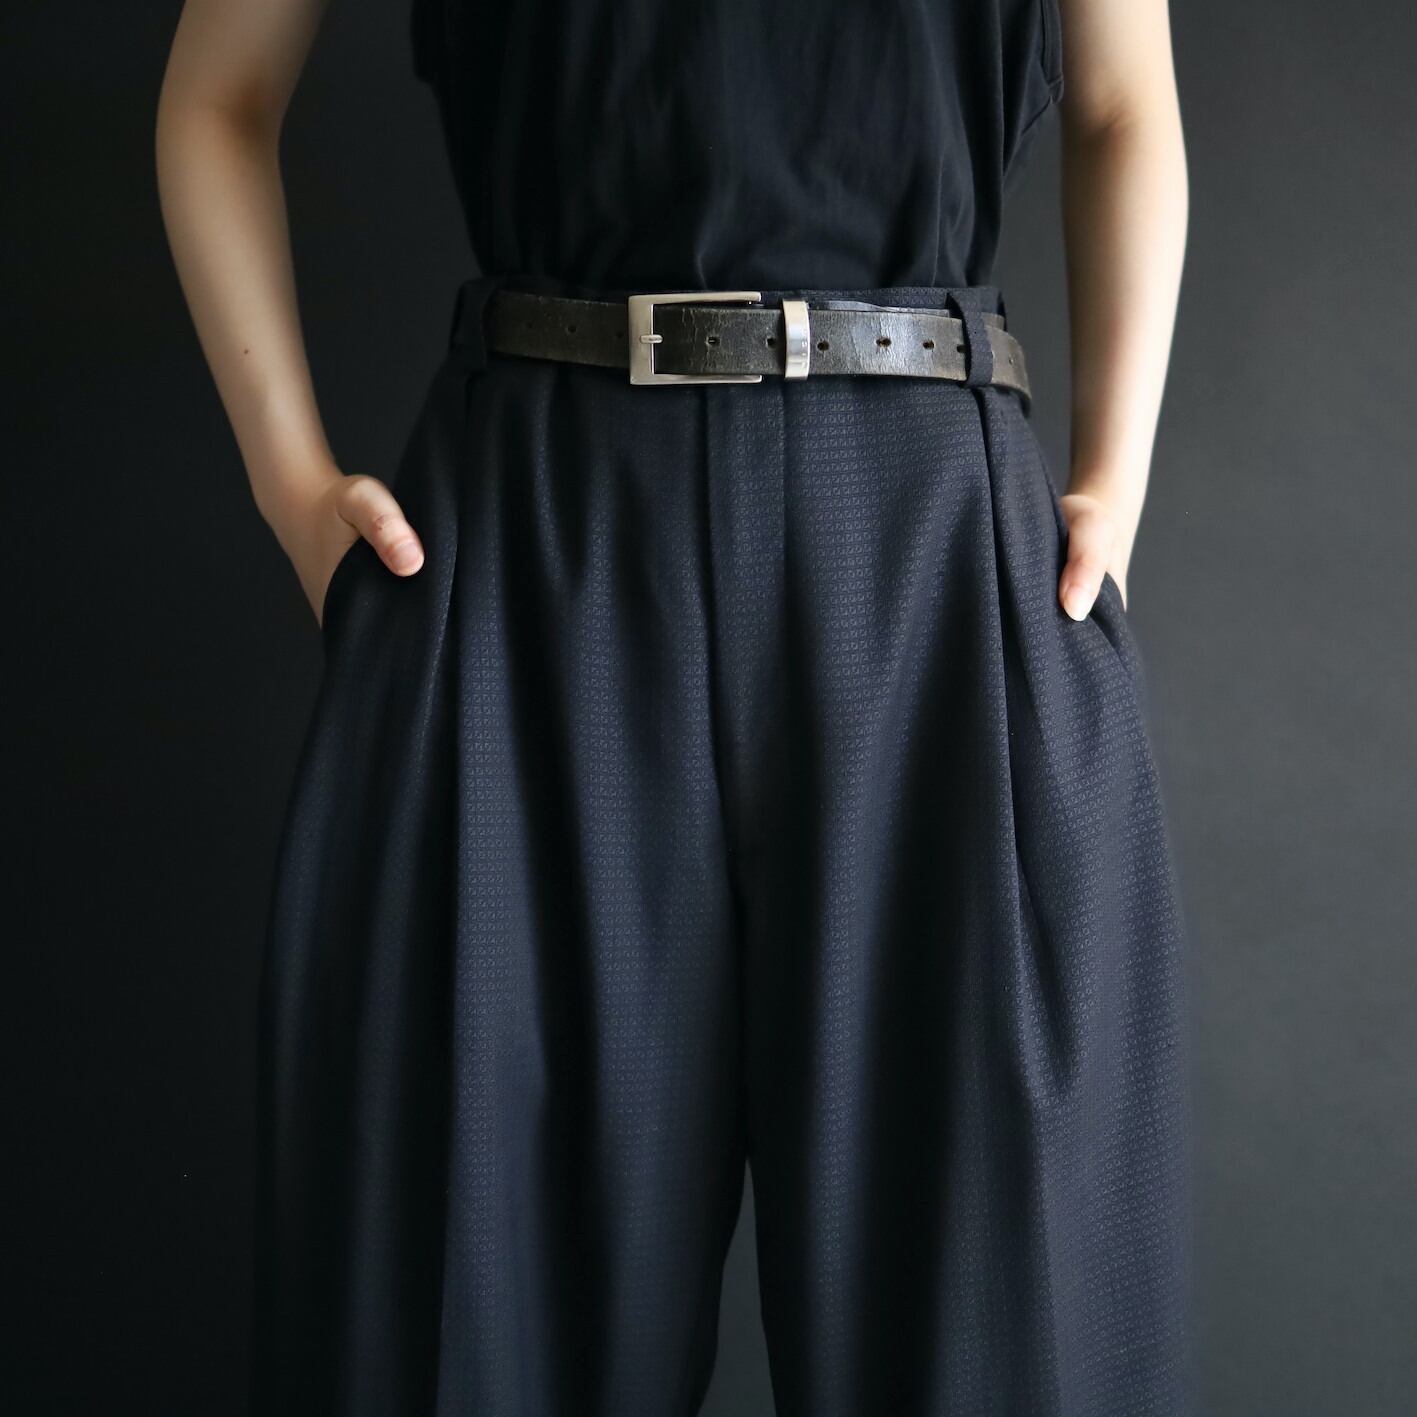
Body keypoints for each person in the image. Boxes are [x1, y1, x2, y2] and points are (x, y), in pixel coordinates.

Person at [156, 0, 1191, 1412]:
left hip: (930, 555)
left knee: (995, 1328)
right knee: (473, 1319)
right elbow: (215, 98)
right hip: (538, 545)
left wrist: (1112, 487)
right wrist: (295, 493)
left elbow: (1124, 104)